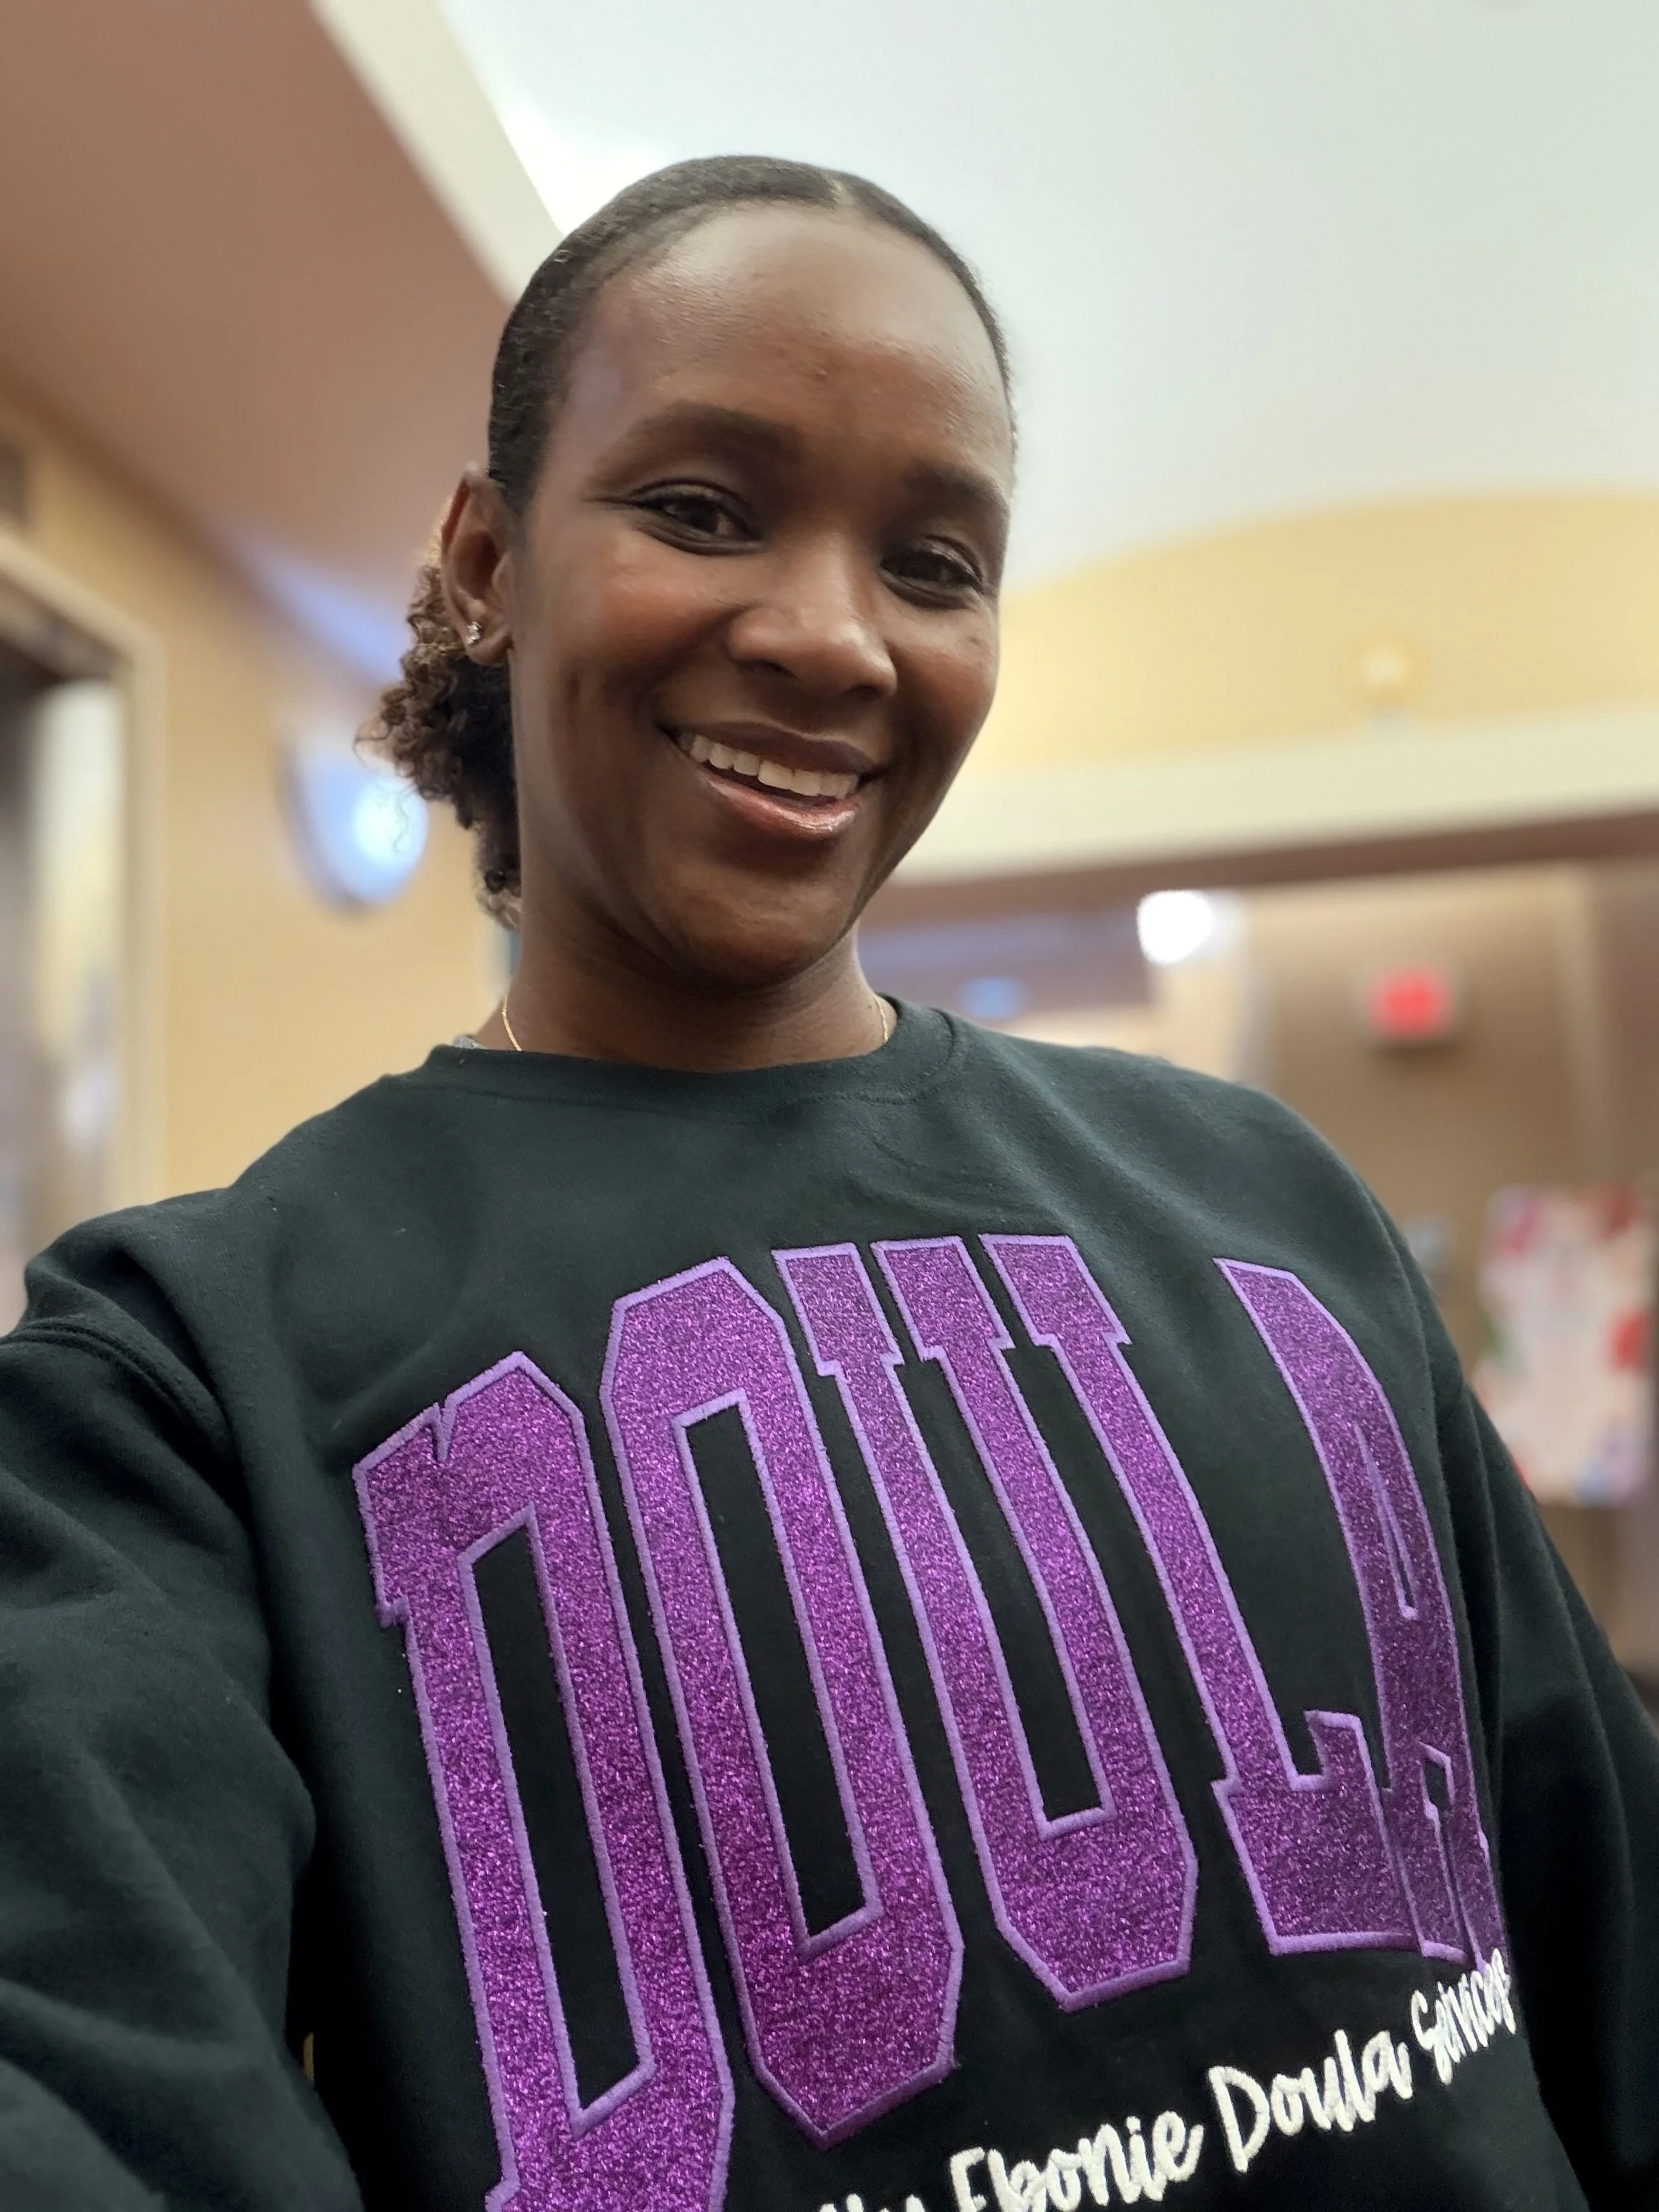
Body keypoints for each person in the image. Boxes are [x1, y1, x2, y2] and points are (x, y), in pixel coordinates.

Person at [0, 155, 1653, 2212]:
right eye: (702, 509)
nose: (830, 638)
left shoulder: (1262, 1202)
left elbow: (1608, 1931)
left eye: (935, 560)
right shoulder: (182, 1375)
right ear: (486, 557)